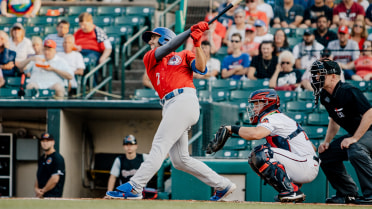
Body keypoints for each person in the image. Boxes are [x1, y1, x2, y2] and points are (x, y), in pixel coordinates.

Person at [106, 23, 236, 200]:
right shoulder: (150, 57)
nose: (150, 41)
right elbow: (169, 47)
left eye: (154, 37)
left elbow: (202, 68)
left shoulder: (184, 54)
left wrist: (197, 44)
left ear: (165, 37)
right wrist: (190, 31)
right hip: (170, 106)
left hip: (183, 100)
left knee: (159, 146)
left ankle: (135, 186)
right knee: (180, 160)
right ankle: (223, 185)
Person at [220, 89, 319, 202]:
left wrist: (232, 129)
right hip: (305, 164)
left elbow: (256, 134)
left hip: (305, 165)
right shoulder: (279, 117)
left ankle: (291, 191)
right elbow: (313, 147)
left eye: (257, 104)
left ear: (268, 103)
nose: (254, 108)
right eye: (254, 104)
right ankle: (291, 189)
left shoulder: (273, 117)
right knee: (253, 159)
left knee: (261, 153)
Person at [309, 59, 372, 205]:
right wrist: (326, 142)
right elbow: (334, 119)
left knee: (355, 148)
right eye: (316, 74)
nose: (316, 77)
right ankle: (347, 193)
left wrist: (355, 138)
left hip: (369, 133)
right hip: (361, 136)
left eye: (320, 74)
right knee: (326, 155)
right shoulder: (325, 95)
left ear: (333, 76)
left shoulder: (348, 90)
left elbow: (369, 113)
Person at [34, 133, 65, 198]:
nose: (45, 143)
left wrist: (43, 191)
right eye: (43, 141)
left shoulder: (57, 158)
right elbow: (38, 176)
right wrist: (36, 189)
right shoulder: (41, 159)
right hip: (40, 196)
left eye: (47, 141)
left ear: (53, 142)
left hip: (53, 196)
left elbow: (55, 179)